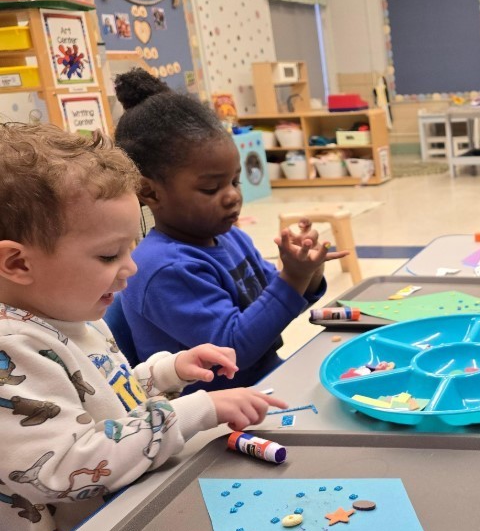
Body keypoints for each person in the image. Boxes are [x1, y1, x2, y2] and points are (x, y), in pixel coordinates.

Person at [0, 122, 286, 531]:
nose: (130, 268)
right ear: (18, 262)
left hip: (114, 528)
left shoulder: (67, 310)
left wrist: (168, 373)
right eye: (109, 255)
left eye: (132, 248)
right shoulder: (13, 349)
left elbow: (100, 397)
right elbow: (65, 466)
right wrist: (196, 411)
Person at [114, 69, 346, 389]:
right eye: (211, 188)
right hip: (214, 415)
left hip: (263, 382)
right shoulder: (162, 268)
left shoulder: (229, 236)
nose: (233, 195)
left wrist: (308, 271)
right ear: (149, 192)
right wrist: (292, 279)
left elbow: (275, 306)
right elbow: (233, 351)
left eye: (234, 181)